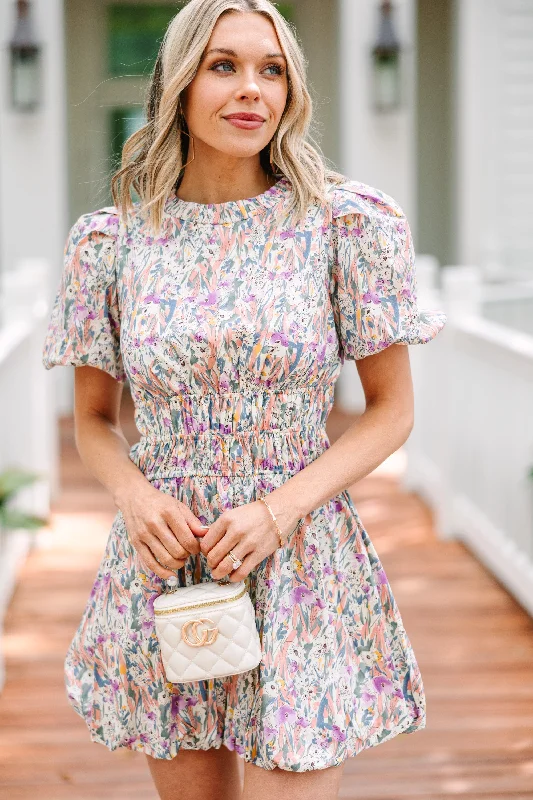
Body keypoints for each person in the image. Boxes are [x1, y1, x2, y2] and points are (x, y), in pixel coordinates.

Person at [42, 0, 446, 798]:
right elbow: (92, 421)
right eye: (224, 65)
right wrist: (132, 494)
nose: (250, 89)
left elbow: (391, 411)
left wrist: (279, 511)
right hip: (170, 565)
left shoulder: (342, 225)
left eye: (272, 70)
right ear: (180, 85)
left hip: (297, 553)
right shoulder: (110, 242)